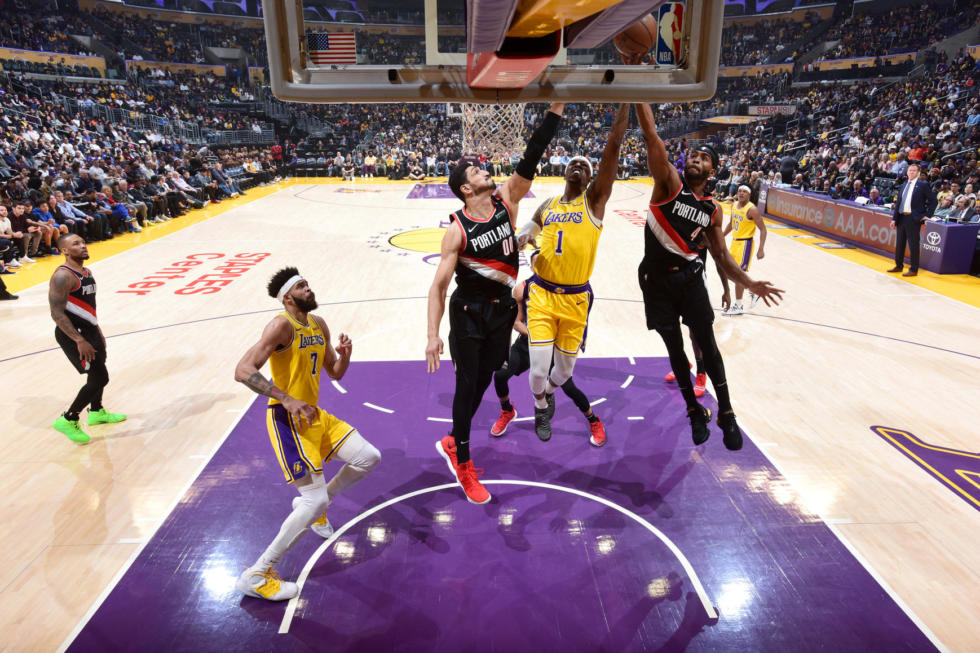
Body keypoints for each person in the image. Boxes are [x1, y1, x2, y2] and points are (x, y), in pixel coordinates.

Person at [426, 102, 565, 504]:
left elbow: (531, 156)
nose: (484, 170)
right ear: (466, 189)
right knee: (467, 382)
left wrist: (554, 112)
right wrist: (432, 336)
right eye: (475, 171)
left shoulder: (507, 202)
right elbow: (438, 288)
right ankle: (464, 465)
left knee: (486, 378)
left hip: (501, 310)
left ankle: (454, 440)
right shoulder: (457, 229)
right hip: (468, 312)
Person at [634, 102, 783, 450]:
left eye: (703, 157)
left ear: (713, 170)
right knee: (673, 347)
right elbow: (651, 135)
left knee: (707, 342)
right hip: (655, 281)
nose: (695, 158)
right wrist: (639, 93)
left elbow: (721, 256)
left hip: (688, 278)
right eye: (693, 154)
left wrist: (748, 283)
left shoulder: (712, 210)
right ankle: (692, 409)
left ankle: (727, 412)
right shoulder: (669, 183)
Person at [234, 267, 380, 601]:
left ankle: (319, 506)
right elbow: (242, 370)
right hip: (286, 417)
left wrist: (345, 357)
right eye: (302, 286)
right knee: (313, 500)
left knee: (368, 457)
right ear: (288, 297)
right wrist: (285, 397)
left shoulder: (318, 325)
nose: (309, 288)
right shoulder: (280, 325)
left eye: (308, 283)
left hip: (313, 415)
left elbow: (336, 374)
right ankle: (258, 574)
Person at [515, 103, 629, 443]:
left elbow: (613, 148)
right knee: (537, 370)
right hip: (543, 296)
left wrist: (625, 101)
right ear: (565, 172)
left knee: (562, 373)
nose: (578, 167)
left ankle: (548, 392)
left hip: (577, 299)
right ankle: (539, 404)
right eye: (573, 164)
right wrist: (526, 241)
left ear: (592, 179)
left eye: (584, 166)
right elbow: (526, 233)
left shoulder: (593, 204)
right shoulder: (548, 205)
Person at [490, 250, 607, 445]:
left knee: (569, 387)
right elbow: (516, 322)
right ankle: (507, 411)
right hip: (528, 343)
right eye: (538, 264)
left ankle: (594, 420)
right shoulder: (523, 288)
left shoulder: (566, 289)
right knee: (500, 375)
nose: (542, 268)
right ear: (532, 266)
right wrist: (538, 335)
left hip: (555, 347)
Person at [49, 234, 126, 444]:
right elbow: (57, 313)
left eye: (83, 242)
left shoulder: (86, 272)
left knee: (99, 367)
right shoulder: (63, 276)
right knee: (100, 377)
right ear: (64, 250)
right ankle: (69, 418)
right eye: (76, 244)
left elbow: (86, 307)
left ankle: (96, 411)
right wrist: (79, 340)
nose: (83, 246)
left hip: (89, 330)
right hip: (74, 334)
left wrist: (96, 329)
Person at [722, 185, 767, 315]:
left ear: (749, 195)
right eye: (739, 191)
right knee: (726, 272)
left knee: (738, 274)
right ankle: (753, 290)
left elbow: (763, 229)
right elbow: (731, 223)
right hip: (735, 243)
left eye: (744, 192)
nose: (741, 193)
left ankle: (738, 305)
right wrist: (722, 236)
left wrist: (761, 249)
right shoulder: (734, 205)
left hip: (745, 244)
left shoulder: (752, 209)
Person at [888, 163, 937, 277]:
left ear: (918, 173)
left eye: (914, 171)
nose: (911, 172)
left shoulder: (923, 184)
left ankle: (914, 269)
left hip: (913, 218)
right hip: (901, 217)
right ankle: (898, 265)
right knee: (900, 243)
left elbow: (933, 201)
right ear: (907, 172)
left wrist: (927, 215)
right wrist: (894, 219)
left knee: (913, 245)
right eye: (910, 170)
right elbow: (898, 203)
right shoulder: (904, 184)